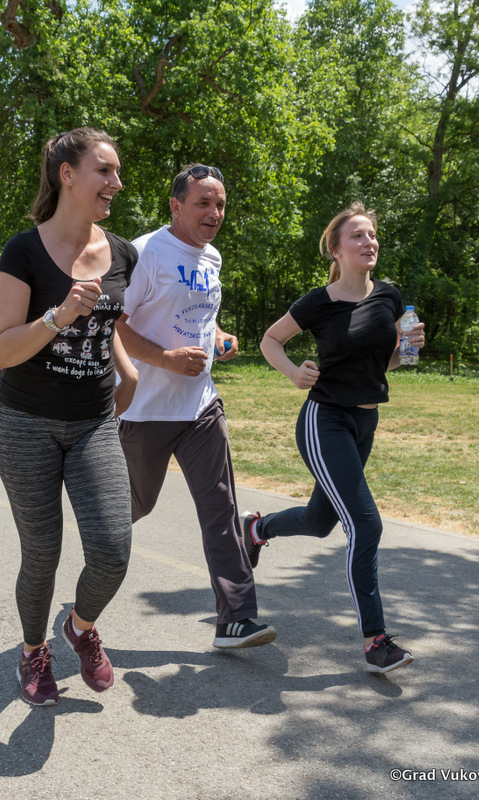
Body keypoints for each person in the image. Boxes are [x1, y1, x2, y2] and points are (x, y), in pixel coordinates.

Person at [240, 201, 424, 674]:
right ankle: (376, 641)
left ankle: (255, 530)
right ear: (336, 250)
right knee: (366, 525)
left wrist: (408, 349)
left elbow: (385, 363)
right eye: (357, 235)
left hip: (365, 422)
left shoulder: (389, 297)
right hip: (325, 421)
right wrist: (292, 372)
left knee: (320, 520)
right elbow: (270, 340)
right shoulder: (317, 302)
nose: (369, 242)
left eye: (372, 234)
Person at [0, 127, 138, 706]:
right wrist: (57, 315)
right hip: (26, 422)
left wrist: (127, 370)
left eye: (117, 171)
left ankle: (79, 626)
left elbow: (108, 322)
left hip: (94, 420)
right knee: (42, 553)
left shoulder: (122, 252)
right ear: (67, 175)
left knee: (112, 550)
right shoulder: (23, 251)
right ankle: (34, 650)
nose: (116, 182)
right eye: (105, 170)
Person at [116, 163, 276, 649]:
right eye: (203, 203)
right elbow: (113, 325)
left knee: (221, 508)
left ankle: (236, 619)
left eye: (220, 204)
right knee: (134, 504)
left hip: (201, 405)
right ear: (176, 205)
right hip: (145, 410)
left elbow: (202, 317)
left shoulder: (213, 258)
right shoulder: (145, 253)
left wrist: (219, 337)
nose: (214, 213)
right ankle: (99, 537)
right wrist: (165, 358)